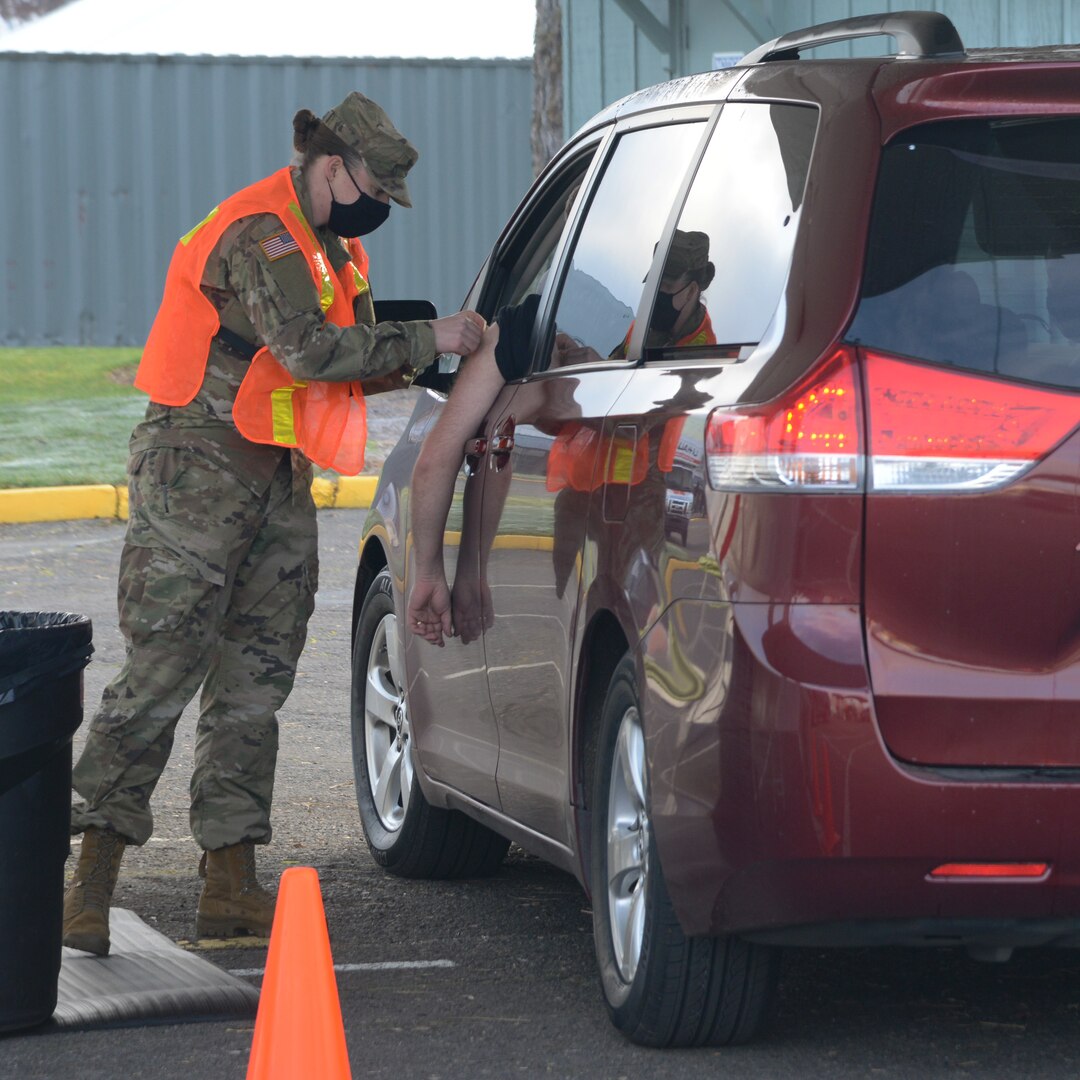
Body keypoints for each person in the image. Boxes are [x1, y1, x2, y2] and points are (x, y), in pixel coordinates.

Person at [62, 91, 485, 957]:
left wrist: (439, 348)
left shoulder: (337, 250)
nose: (378, 208)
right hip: (198, 464)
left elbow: (352, 361)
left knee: (256, 678)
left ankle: (229, 885)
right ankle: (89, 884)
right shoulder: (263, 231)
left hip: (274, 467)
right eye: (372, 187)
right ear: (332, 166)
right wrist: (434, 336)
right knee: (163, 666)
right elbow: (306, 351)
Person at [406, 229, 715, 646]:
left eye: (666, 285)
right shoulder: (538, 334)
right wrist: (463, 573)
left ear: (694, 289)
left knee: (638, 639)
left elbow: (454, 452)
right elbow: (494, 443)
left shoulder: (704, 350)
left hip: (649, 507)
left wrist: (435, 574)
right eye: (649, 281)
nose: (651, 294)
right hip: (581, 495)